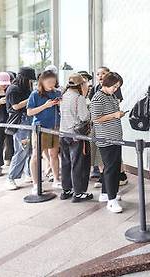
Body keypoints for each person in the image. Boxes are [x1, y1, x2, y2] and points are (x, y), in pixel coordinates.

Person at [91, 72, 125, 213]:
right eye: (114, 86)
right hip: (106, 138)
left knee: (112, 167)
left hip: (115, 137)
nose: (115, 89)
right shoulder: (98, 97)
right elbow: (96, 118)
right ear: (106, 83)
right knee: (111, 169)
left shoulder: (110, 96)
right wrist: (114, 115)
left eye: (117, 87)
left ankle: (106, 194)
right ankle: (112, 201)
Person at [59, 73, 94, 202]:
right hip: (76, 135)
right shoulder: (79, 98)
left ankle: (66, 190)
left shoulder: (63, 96)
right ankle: (79, 192)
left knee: (66, 162)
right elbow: (84, 117)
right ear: (80, 84)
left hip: (63, 133)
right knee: (78, 164)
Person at [27, 70, 62, 193]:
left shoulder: (57, 93)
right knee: (36, 155)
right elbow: (29, 112)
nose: (52, 84)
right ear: (42, 81)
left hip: (55, 127)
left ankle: (56, 180)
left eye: (54, 81)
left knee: (54, 154)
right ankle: (36, 184)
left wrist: (60, 104)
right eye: (49, 82)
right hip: (40, 127)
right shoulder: (35, 94)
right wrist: (45, 106)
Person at [6, 67, 36, 190]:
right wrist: (32, 98)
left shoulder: (25, 88)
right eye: (29, 79)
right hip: (21, 122)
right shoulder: (13, 89)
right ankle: (11, 177)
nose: (31, 82)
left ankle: (28, 173)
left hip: (28, 120)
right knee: (22, 149)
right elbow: (16, 106)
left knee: (29, 149)